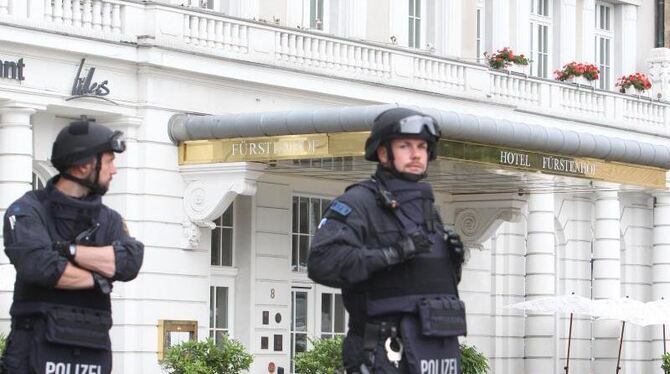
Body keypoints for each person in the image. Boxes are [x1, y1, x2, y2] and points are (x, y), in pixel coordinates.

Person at [308, 107, 466, 374]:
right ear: (383, 153)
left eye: (422, 146)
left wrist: (453, 262)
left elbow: (422, 285)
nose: (416, 154)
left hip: (434, 352)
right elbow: (322, 262)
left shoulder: (428, 211)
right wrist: (392, 254)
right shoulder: (358, 203)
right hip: (382, 352)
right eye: (405, 145)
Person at [0, 118, 144, 374]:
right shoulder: (27, 211)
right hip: (34, 351)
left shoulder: (108, 218)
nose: (114, 170)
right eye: (109, 161)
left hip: (93, 351)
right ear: (82, 166)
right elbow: (40, 266)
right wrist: (101, 278)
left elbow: (130, 261)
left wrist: (68, 251)